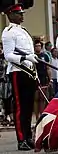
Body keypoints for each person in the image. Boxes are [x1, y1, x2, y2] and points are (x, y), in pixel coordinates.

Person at [1, 3, 38, 150]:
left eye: (22, 13)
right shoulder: (8, 32)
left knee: (28, 107)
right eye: (19, 14)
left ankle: (28, 137)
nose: (22, 16)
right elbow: (8, 55)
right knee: (20, 108)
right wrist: (25, 58)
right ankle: (21, 139)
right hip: (17, 72)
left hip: (28, 71)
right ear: (10, 15)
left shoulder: (23, 31)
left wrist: (31, 58)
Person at [34, 40, 51, 120]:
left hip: (44, 78)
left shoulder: (45, 56)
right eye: (36, 46)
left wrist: (50, 79)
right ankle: (36, 116)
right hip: (35, 78)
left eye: (39, 46)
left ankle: (42, 115)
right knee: (36, 98)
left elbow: (48, 68)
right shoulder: (32, 56)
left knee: (43, 98)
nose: (38, 47)